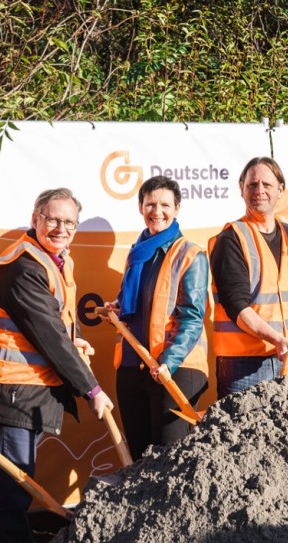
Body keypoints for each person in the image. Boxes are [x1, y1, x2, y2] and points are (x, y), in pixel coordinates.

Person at [0, 187, 113, 543]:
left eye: (69, 222)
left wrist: (76, 337)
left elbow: (58, 319)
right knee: (17, 482)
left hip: (29, 388)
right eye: (52, 219)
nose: (60, 228)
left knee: (5, 476)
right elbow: (46, 332)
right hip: (12, 387)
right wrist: (92, 390)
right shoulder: (22, 266)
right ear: (35, 219)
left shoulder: (55, 260)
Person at [107, 176, 209, 460]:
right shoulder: (137, 253)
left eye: (165, 204)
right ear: (140, 207)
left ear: (177, 208)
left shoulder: (191, 254)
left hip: (173, 369)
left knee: (169, 459)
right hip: (132, 365)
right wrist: (116, 306)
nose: (157, 211)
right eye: (150, 203)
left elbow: (191, 316)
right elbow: (135, 300)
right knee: (140, 457)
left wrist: (168, 361)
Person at [208, 157, 288, 398]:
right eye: (252, 184)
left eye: (267, 184)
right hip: (243, 368)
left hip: (287, 360)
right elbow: (236, 306)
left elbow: (287, 294)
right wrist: (276, 339)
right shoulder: (230, 239)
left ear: (280, 190)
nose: (259, 191)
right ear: (241, 188)